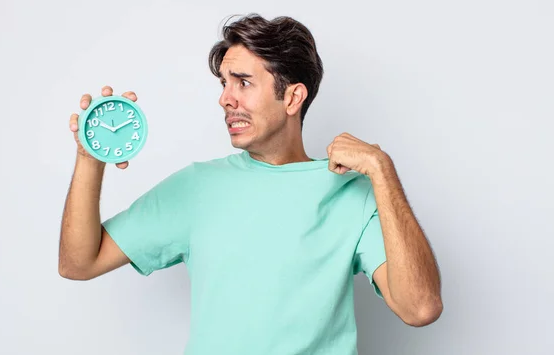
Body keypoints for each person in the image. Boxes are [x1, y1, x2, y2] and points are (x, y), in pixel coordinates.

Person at [59, 13, 442, 355]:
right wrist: (89, 158)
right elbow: (79, 263)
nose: (226, 99)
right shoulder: (198, 187)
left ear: (293, 98)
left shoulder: (351, 194)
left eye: (243, 83)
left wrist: (382, 170)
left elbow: (420, 308)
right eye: (224, 84)